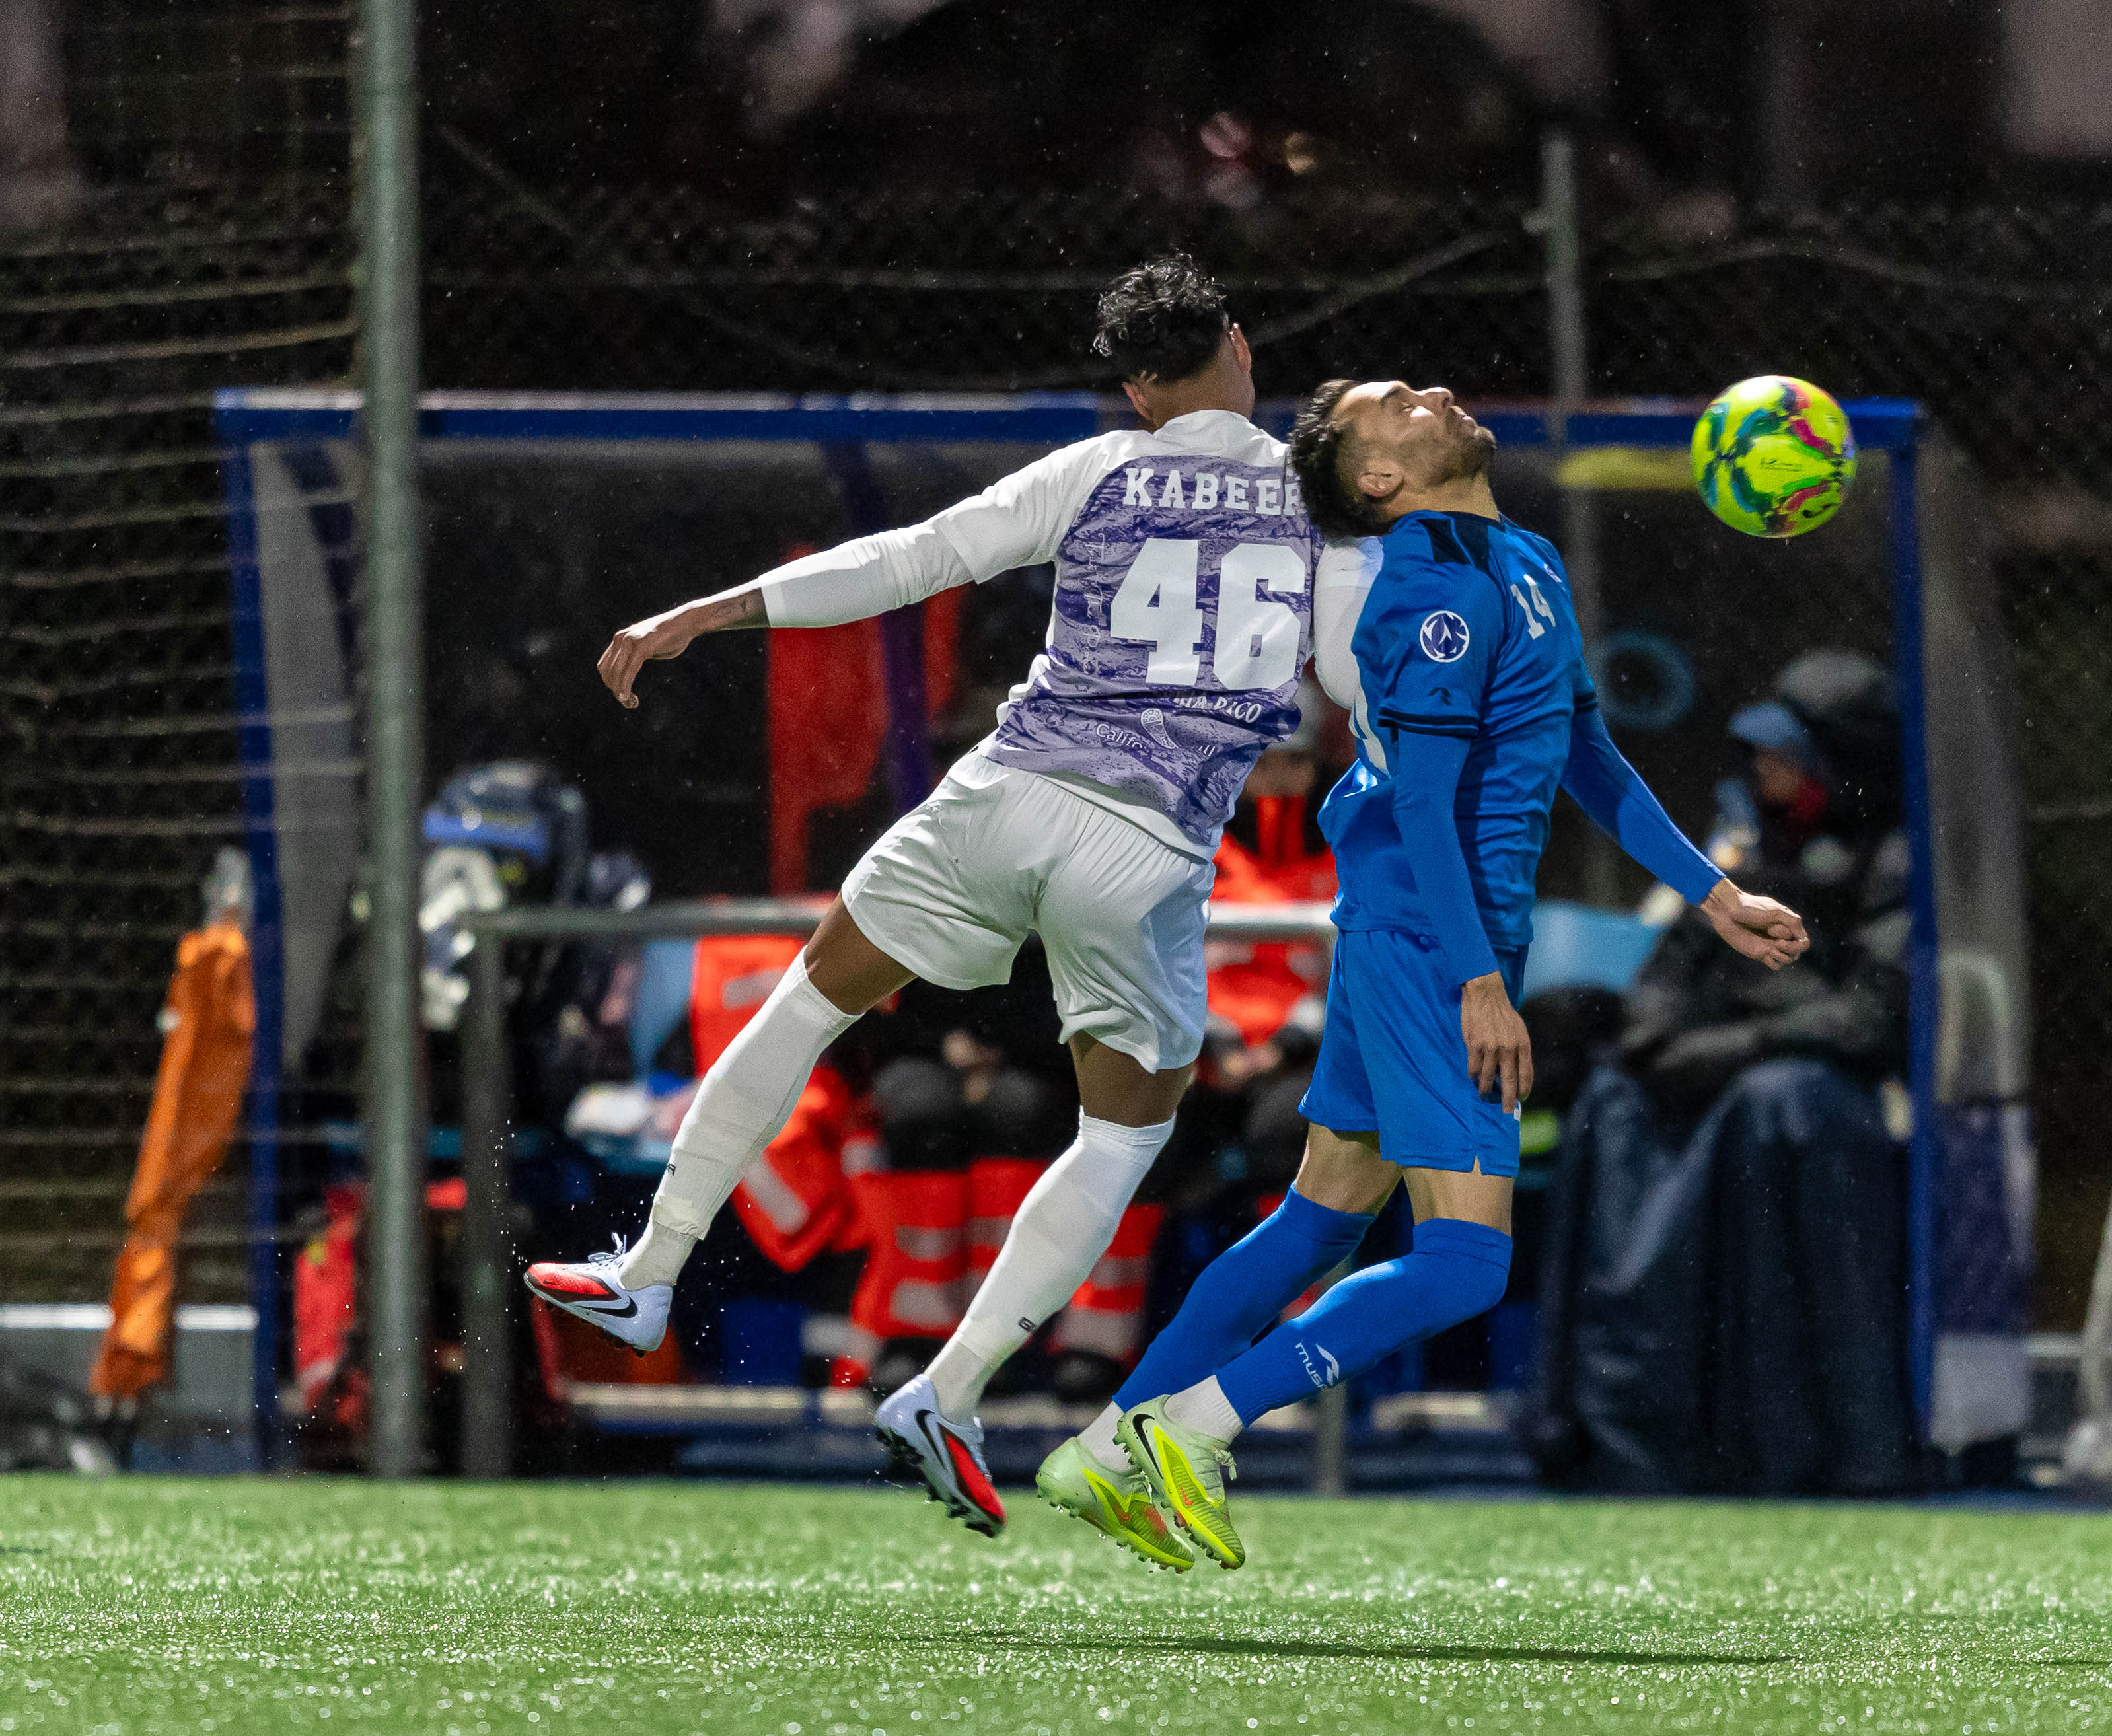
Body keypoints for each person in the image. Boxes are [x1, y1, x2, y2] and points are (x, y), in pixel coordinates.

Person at [522, 256, 1319, 1542]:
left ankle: (649, 1269)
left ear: (1135, 387)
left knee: (804, 1002)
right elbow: (1363, 665)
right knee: (1122, 1139)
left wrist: (709, 615)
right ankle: (949, 1391)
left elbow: (918, 558)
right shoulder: (1308, 500)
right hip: (1151, 850)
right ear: (1239, 344)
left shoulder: (1102, 468)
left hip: (1009, 792)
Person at [1038, 377, 1809, 1572]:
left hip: (1425, 937)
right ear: (1379, 479)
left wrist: (1716, 894)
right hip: (1427, 938)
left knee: (1316, 1222)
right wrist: (1476, 981)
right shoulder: (1430, 587)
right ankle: (1193, 1426)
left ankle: (1102, 1444)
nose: (1425, 391)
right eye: (1386, 405)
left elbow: (1587, 756)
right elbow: (1428, 804)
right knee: (1463, 1261)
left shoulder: (1526, 558)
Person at [1532, 648, 1922, 1496]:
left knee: (1778, 1101)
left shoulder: (1892, 859)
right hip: (1716, 1073)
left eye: (1787, 752)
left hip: (1818, 1090)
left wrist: (1730, 1050)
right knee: (1614, 1097)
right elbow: (1660, 987)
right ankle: (1624, 1438)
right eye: (1759, 751)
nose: (1763, 767)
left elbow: (1871, 1019)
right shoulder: (1740, 849)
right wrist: (1667, 1045)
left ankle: (1788, 1443)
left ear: (1837, 761)